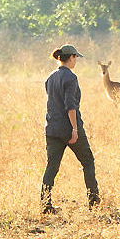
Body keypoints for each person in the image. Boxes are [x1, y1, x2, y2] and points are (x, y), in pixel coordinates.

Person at [41, 44, 100, 213]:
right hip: (68, 127)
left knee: (52, 166)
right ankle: (93, 201)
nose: (76, 61)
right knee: (88, 161)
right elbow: (70, 106)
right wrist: (74, 129)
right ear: (71, 57)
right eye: (76, 58)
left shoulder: (50, 77)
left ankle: (45, 205)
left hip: (52, 128)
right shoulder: (70, 78)